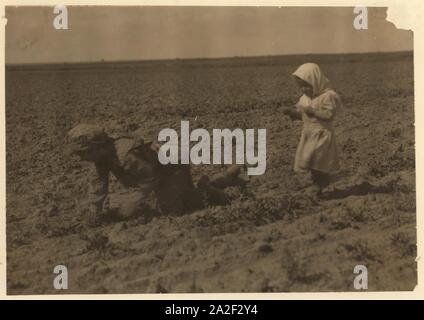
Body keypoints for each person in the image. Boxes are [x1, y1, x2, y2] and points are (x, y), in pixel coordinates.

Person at [66, 124, 246, 226]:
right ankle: (224, 177)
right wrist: (94, 212)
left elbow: (150, 179)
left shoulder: (125, 155)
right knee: (161, 205)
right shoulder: (101, 157)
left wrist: (132, 203)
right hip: (158, 174)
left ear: (96, 147)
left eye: (83, 153)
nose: (81, 158)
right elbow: (98, 186)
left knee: (182, 210)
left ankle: (214, 187)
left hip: (172, 170)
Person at [282, 63, 342, 194]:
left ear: (316, 81)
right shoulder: (304, 99)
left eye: (306, 86)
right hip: (309, 134)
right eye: (301, 87)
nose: (304, 90)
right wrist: (291, 112)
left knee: (318, 162)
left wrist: (314, 111)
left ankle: (319, 183)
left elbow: (329, 115)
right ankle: (318, 182)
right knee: (310, 161)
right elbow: (303, 116)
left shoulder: (327, 96)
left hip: (322, 134)